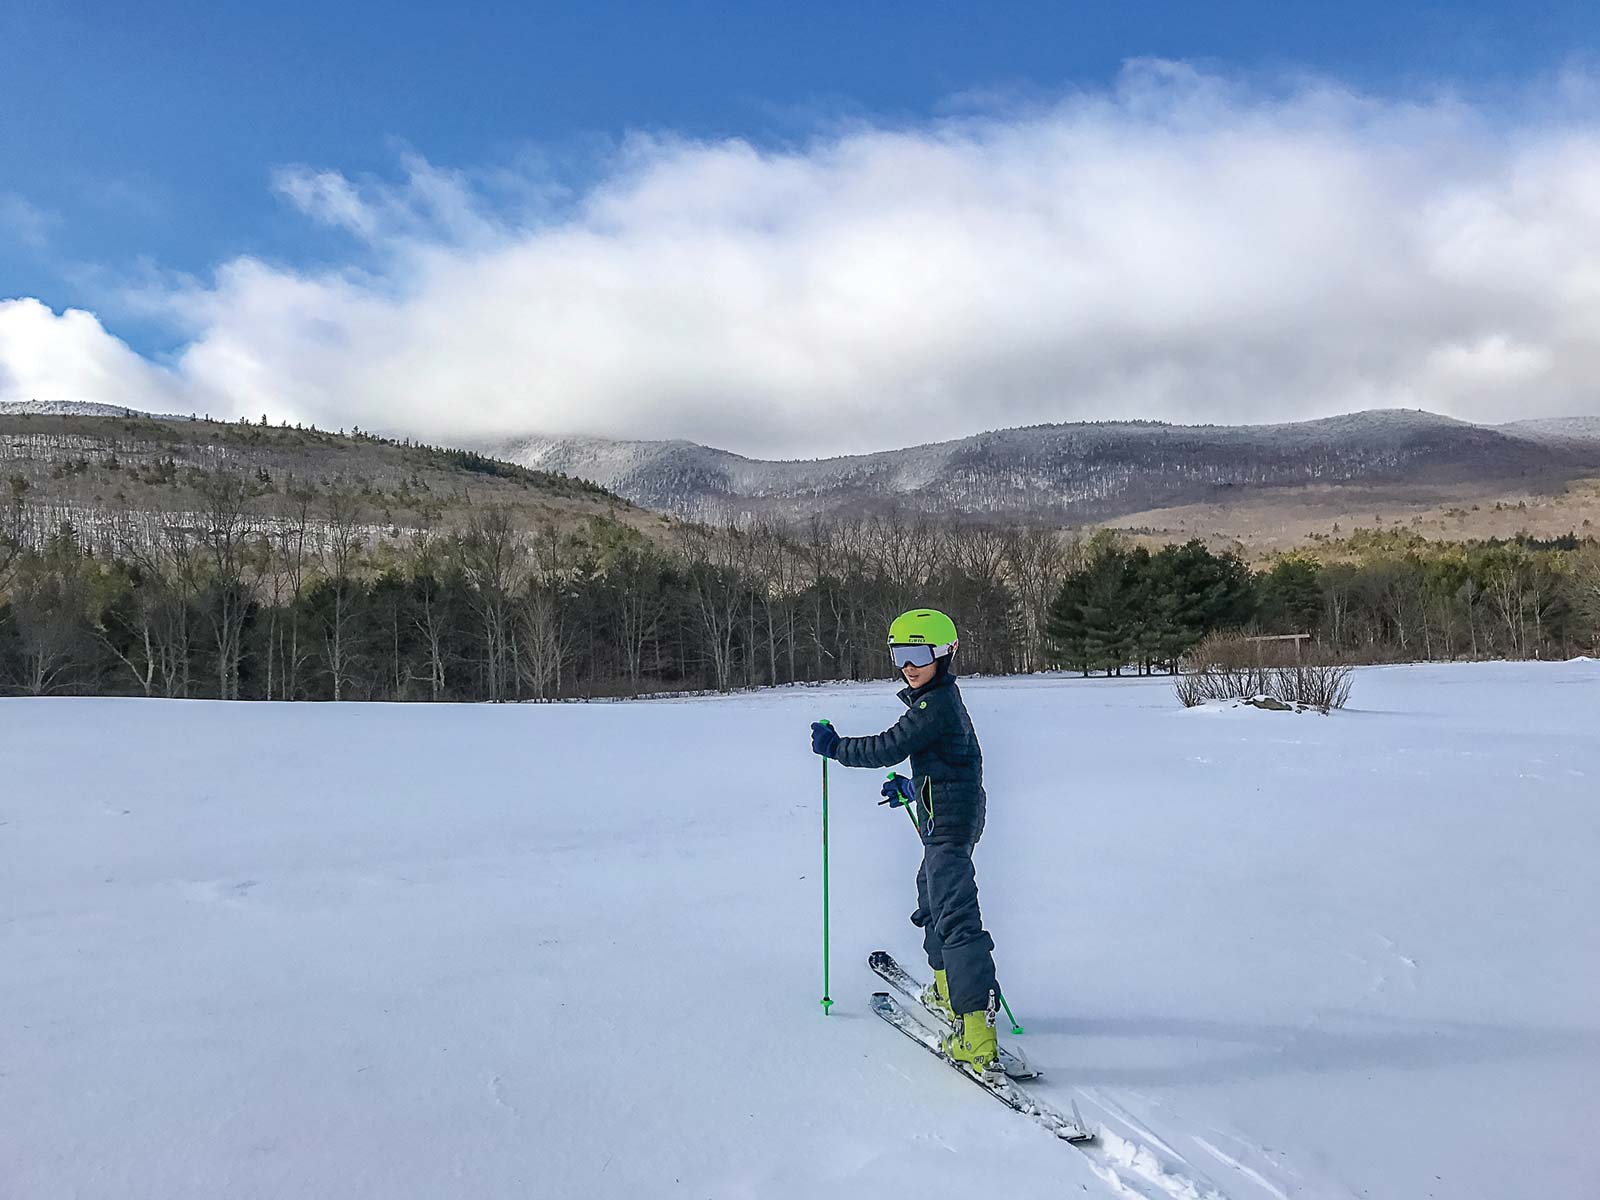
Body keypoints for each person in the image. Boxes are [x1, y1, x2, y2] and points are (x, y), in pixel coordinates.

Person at [810, 608, 1000, 1078]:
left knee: (956, 915)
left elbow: (886, 747)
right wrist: (914, 788)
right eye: (899, 654)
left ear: (944, 653)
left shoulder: (933, 707)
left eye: (918, 653)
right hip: (947, 814)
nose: (907, 665)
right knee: (930, 896)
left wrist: (835, 747)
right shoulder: (933, 703)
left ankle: (976, 1032)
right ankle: (945, 988)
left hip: (952, 824)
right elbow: (955, 764)